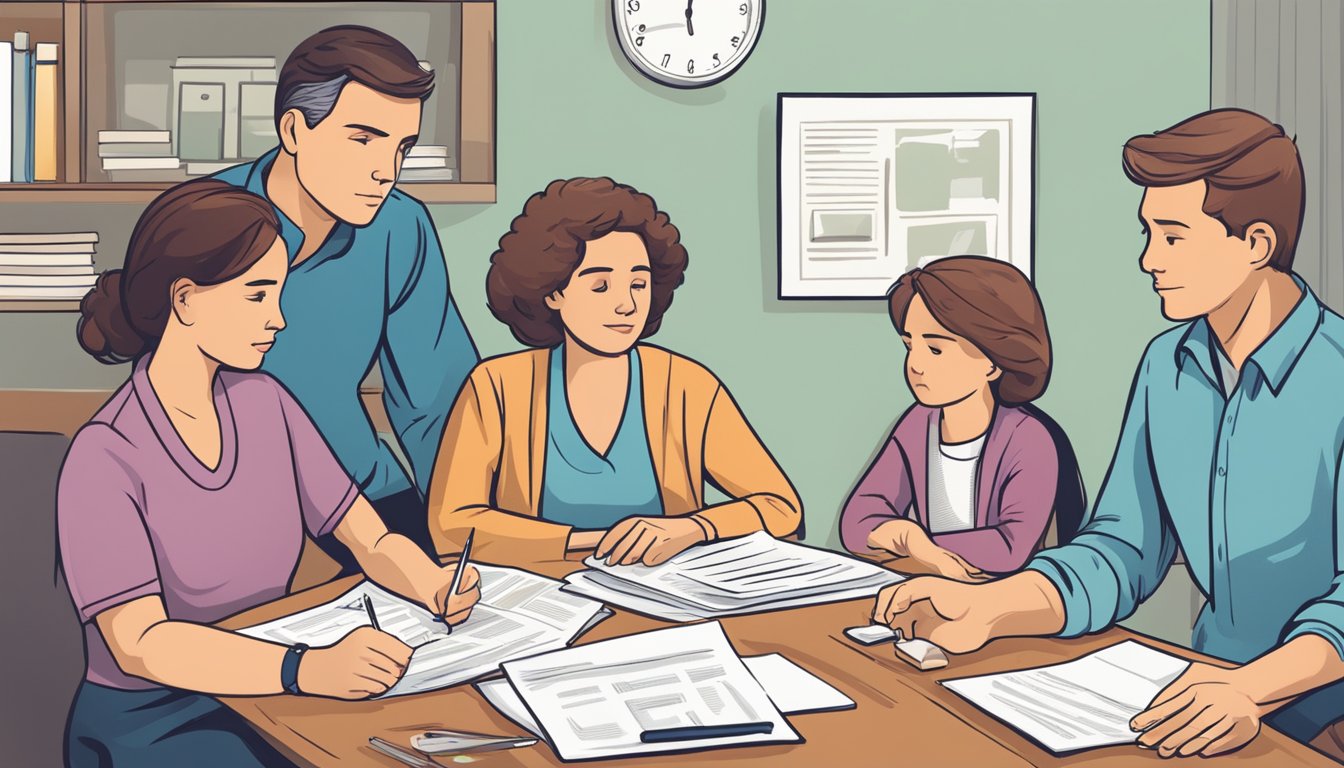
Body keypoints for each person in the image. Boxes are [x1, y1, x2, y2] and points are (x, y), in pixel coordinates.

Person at [874, 108, 1344, 760]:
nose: (1149, 259)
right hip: (1197, 690)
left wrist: (1250, 691)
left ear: (1256, 244)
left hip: (1318, 712)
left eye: (1174, 237)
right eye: (1148, 232)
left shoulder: (1339, 376)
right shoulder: (1166, 366)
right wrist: (991, 609)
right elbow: (1121, 550)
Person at [59, 181, 480, 768]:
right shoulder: (104, 456)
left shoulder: (265, 402)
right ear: (185, 300)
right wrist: (304, 668)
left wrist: (430, 583)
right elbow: (140, 644)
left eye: (279, 294)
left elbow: (372, 538)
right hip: (154, 721)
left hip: (270, 693)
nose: (278, 319)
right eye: (257, 296)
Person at [211, 26, 479, 573]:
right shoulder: (205, 222)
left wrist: (464, 523)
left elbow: (437, 404)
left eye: (401, 146)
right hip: (231, 500)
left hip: (361, 488)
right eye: (363, 139)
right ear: (294, 129)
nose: (387, 170)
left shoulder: (401, 226)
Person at [428, 177, 802, 567]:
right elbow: (450, 525)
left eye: (638, 284)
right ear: (554, 292)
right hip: (539, 600)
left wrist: (694, 528)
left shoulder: (689, 387)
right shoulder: (496, 388)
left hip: (665, 601)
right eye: (601, 286)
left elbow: (780, 506)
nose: (626, 305)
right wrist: (588, 541)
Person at [840, 256, 1063, 579]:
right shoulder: (918, 424)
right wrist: (911, 540)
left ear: (992, 361)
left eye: (935, 349)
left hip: (1008, 604)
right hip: (937, 588)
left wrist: (922, 546)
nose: (915, 364)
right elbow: (858, 521)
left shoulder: (1030, 438)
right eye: (909, 346)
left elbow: (1009, 547)